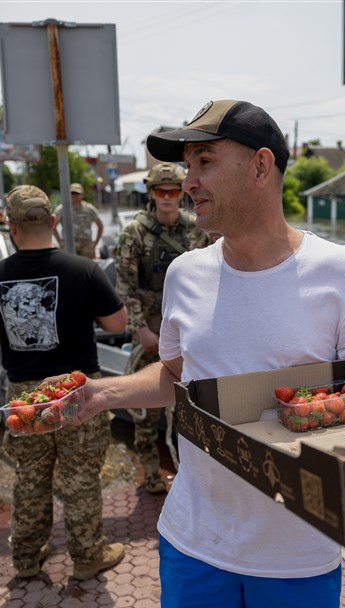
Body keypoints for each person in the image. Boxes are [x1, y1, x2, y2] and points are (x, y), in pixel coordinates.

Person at [66, 100, 345, 608]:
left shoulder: (344, 275)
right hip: (197, 533)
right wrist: (101, 394)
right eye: (186, 167)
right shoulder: (186, 273)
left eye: (205, 162)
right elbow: (176, 375)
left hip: (296, 543)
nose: (188, 183)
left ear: (262, 166)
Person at [0, 185, 129, 581]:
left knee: (30, 475)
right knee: (80, 475)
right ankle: (87, 556)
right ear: (53, 222)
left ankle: (26, 557)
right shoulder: (85, 270)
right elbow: (118, 324)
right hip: (77, 390)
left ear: (10, 226)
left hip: (24, 394)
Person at [113, 162, 213, 494]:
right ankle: (152, 472)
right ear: (151, 193)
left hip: (187, 326)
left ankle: (191, 472)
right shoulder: (135, 232)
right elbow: (125, 287)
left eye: (174, 191)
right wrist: (141, 330)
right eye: (160, 191)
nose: (168, 198)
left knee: (193, 402)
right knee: (146, 410)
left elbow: (210, 278)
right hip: (150, 328)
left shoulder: (195, 230)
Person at [52, 183, 104, 259]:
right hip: (68, 246)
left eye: (77, 194)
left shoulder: (89, 209)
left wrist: (95, 243)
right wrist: (60, 242)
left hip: (86, 246)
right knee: (69, 269)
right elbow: (53, 226)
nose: (74, 196)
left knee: (88, 268)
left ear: (82, 194)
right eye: (72, 193)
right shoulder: (61, 209)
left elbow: (100, 225)